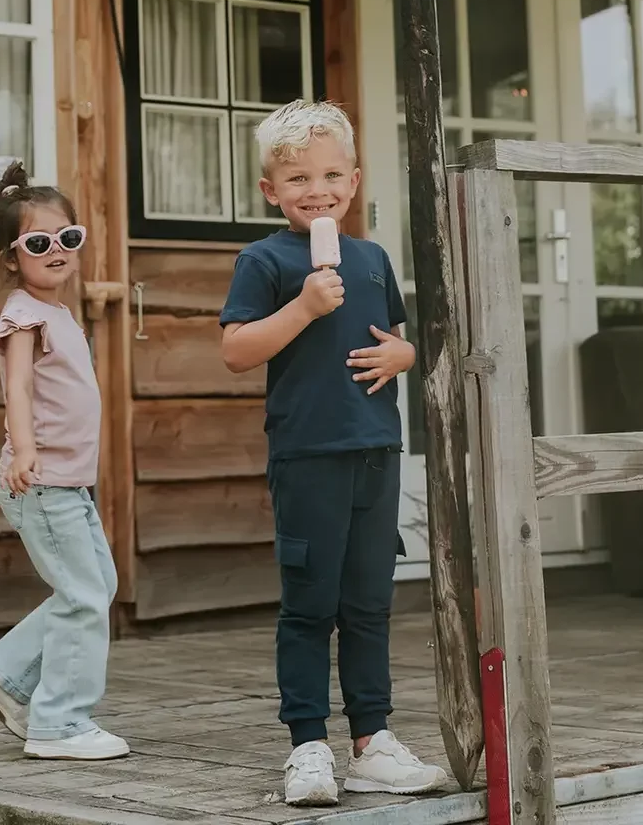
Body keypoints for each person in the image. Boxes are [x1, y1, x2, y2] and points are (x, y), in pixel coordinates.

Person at [219, 100, 447, 806]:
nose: (314, 190)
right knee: (310, 606)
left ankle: (371, 741)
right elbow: (235, 351)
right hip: (309, 454)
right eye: (297, 180)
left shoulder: (373, 259)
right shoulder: (265, 260)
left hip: (377, 451)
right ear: (270, 191)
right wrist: (303, 308)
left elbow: (401, 339)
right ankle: (308, 745)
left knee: (370, 604)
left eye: (329, 175)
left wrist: (406, 355)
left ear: (353, 181)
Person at [0, 161, 127, 761]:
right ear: (11, 257)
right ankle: (58, 722)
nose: (56, 250)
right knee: (83, 593)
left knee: (94, 586)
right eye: (38, 243)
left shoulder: (58, 311)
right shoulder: (23, 315)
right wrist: (24, 449)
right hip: (42, 480)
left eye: (68, 238)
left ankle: (4, 675)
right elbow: (19, 389)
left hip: (67, 484)